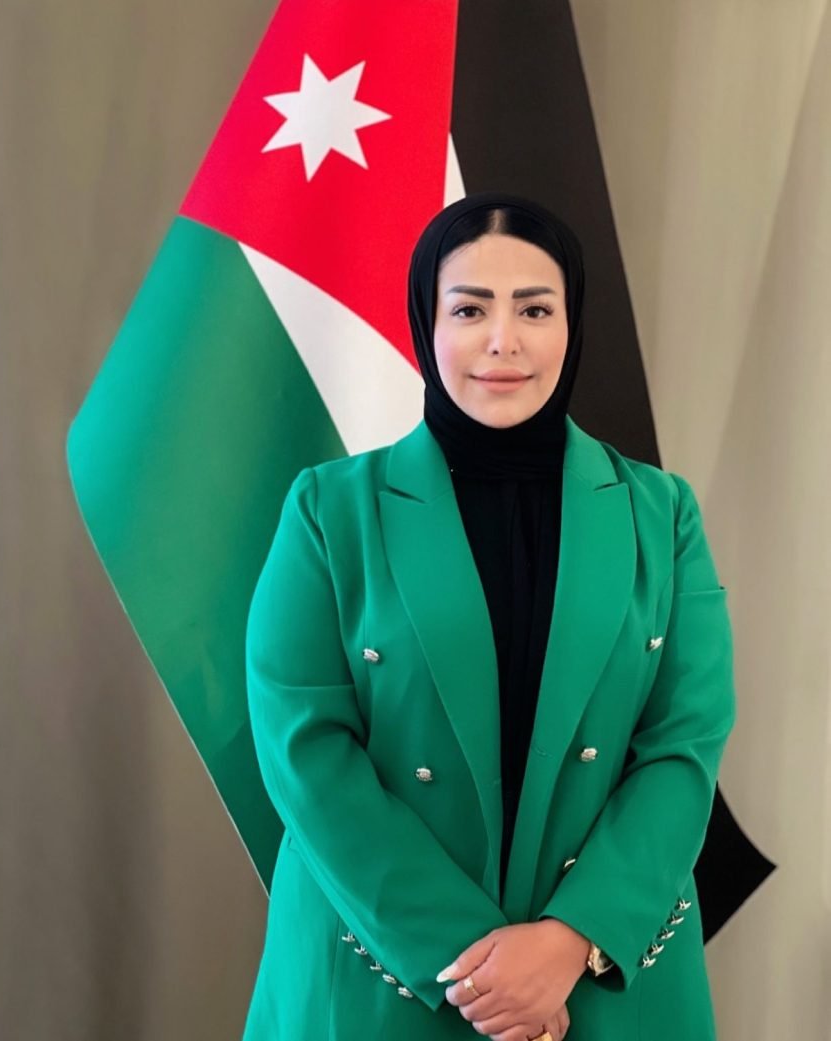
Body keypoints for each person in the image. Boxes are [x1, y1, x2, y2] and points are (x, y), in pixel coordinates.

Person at [243, 192, 736, 1041]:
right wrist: (479, 964)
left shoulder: (663, 515)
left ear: (571, 326)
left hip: (600, 979)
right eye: (470, 309)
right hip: (380, 983)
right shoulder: (329, 510)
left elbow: (685, 742)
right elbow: (304, 747)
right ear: (425, 323)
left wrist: (567, 943)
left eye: (534, 310)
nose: (503, 340)